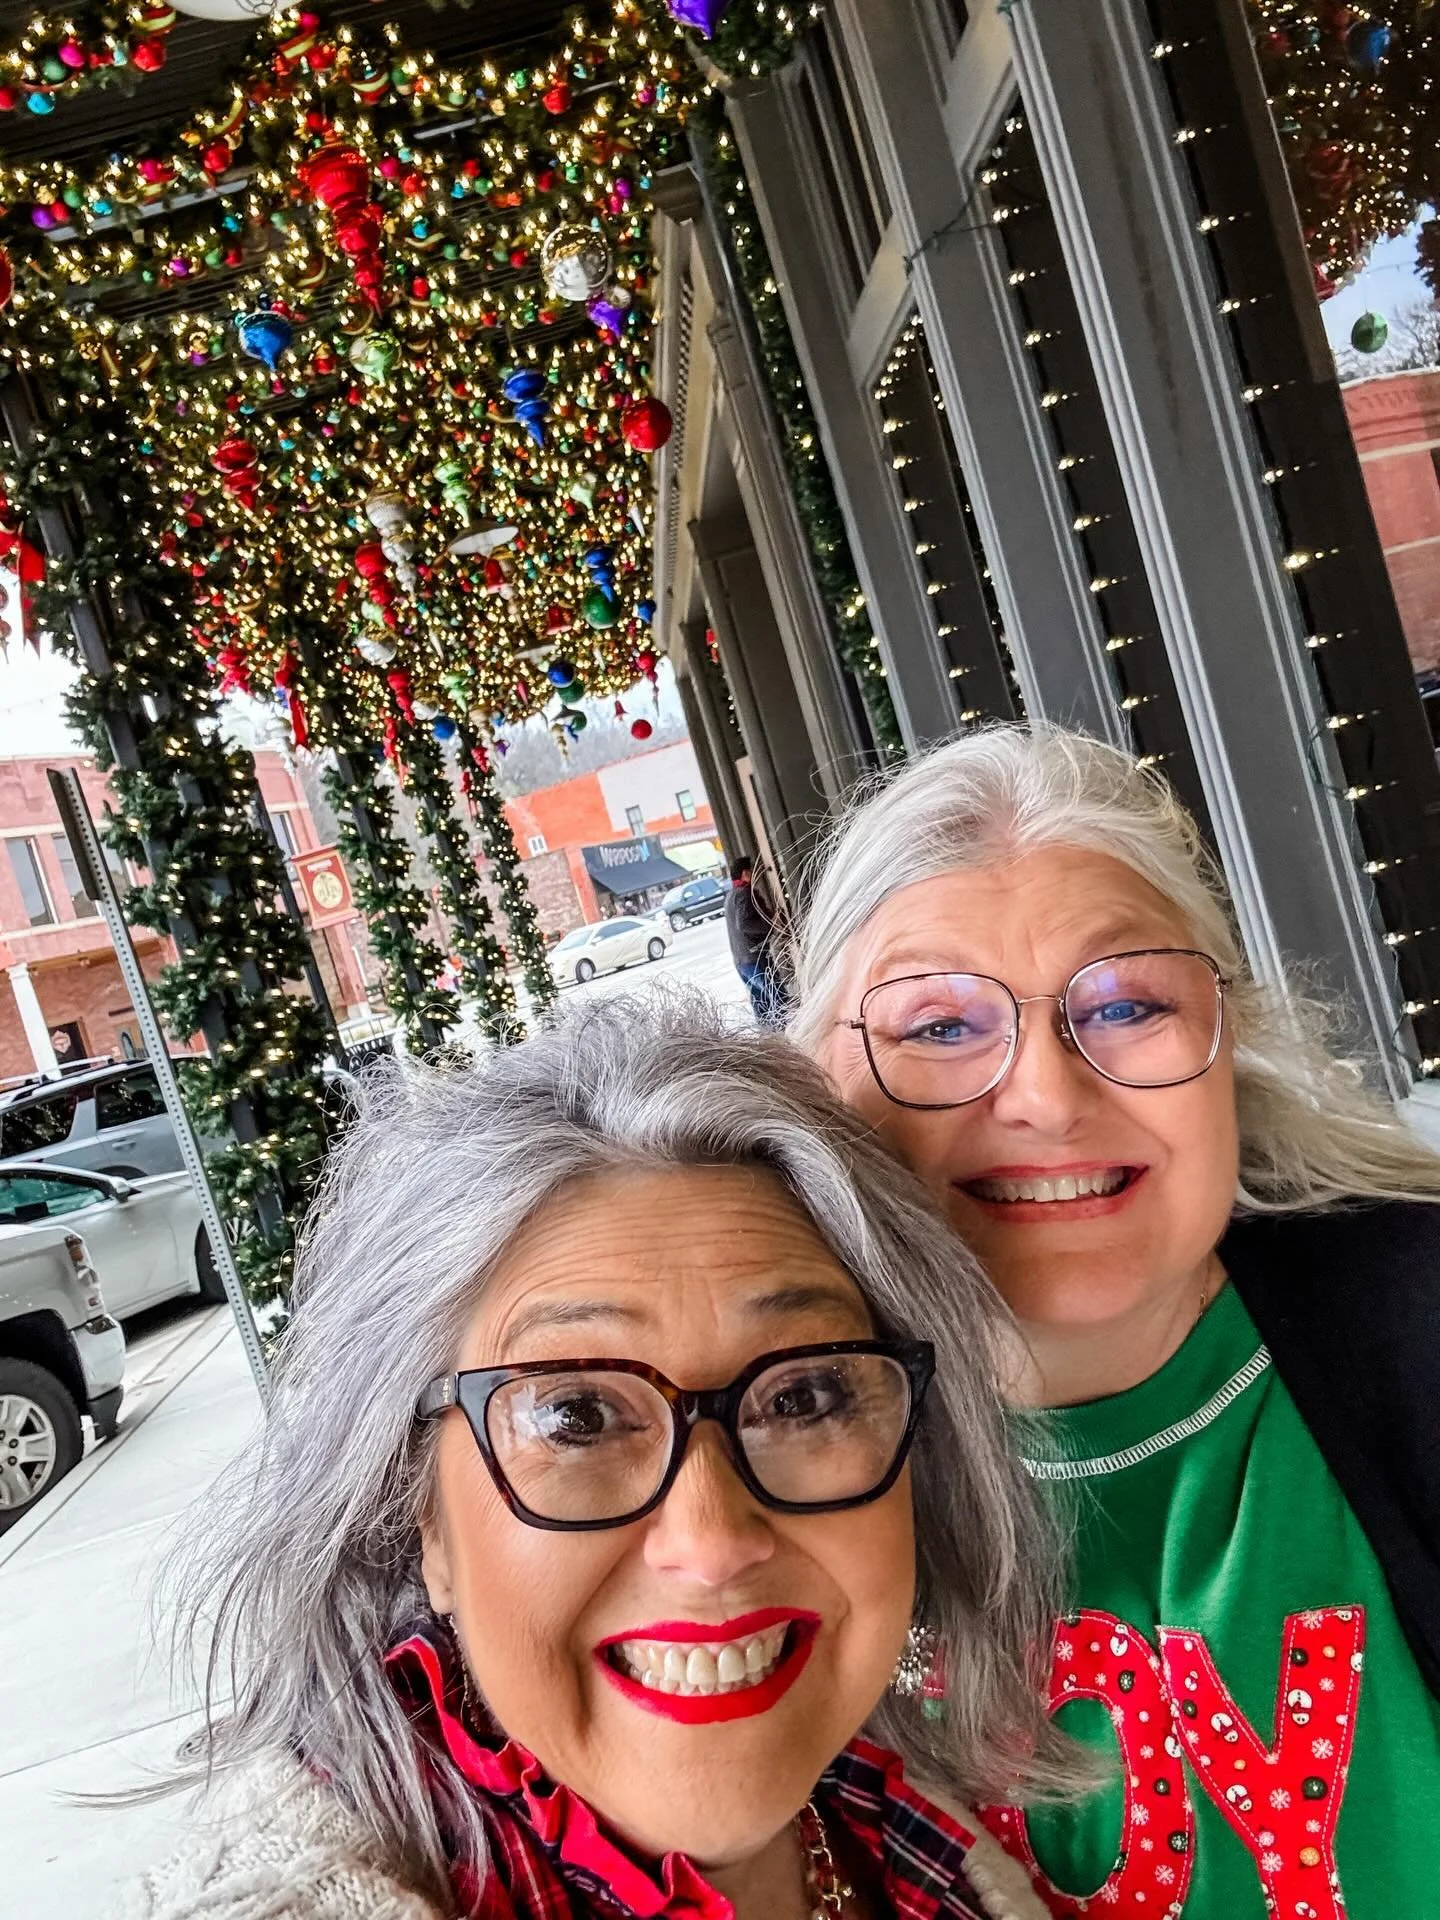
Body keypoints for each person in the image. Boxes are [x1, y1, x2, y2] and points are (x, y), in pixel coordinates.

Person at [113, 993, 1075, 1920]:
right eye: (575, 1417)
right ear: (422, 1516)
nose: (710, 1542)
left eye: (804, 1397)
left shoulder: (913, 1828)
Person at [789, 722, 1440, 1919]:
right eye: (940, 1027)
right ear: (825, 1093)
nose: (1044, 1096)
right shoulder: (741, 1468)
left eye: (1127, 1004)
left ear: (1224, 1041)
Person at [726, 853, 787, 1025]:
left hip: (742, 962)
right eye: (752, 871)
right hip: (755, 958)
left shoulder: (730, 896)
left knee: (763, 1006)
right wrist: (771, 926)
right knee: (779, 1000)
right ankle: (788, 1040)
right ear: (745, 873)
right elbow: (744, 924)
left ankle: (771, 1042)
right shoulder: (745, 894)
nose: (754, 875)